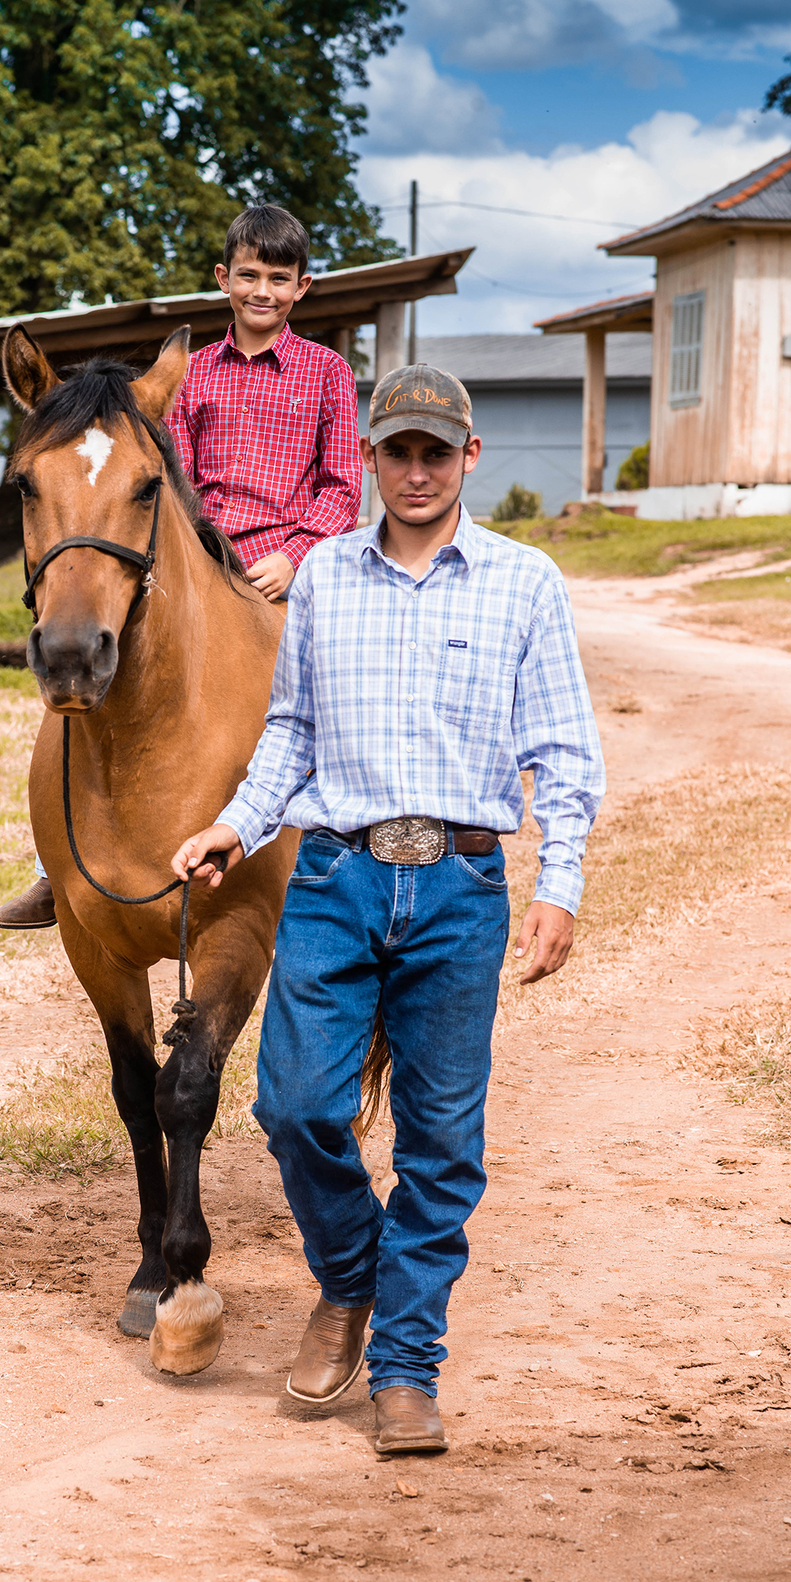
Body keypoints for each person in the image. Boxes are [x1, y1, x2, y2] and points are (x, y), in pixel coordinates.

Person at [169, 363, 604, 1456]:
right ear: (369, 461)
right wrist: (241, 822)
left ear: (469, 458)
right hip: (335, 875)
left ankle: (406, 1368)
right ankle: (351, 1278)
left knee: (442, 1142)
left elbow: (565, 750)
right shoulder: (323, 579)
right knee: (296, 1106)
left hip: (461, 885)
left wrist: (559, 883)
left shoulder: (524, 582)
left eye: (435, 451)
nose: (416, 470)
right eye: (396, 451)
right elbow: (292, 731)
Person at [0, 203, 362, 930]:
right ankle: (56, 866)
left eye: (279, 279)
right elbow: (170, 476)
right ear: (224, 279)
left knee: (343, 681)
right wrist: (195, 553)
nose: (263, 291)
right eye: (249, 275)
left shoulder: (327, 373)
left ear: (302, 287)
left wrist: (293, 556)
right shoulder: (185, 379)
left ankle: (343, 850)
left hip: (290, 567)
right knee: (107, 664)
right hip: (201, 556)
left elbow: (343, 486)